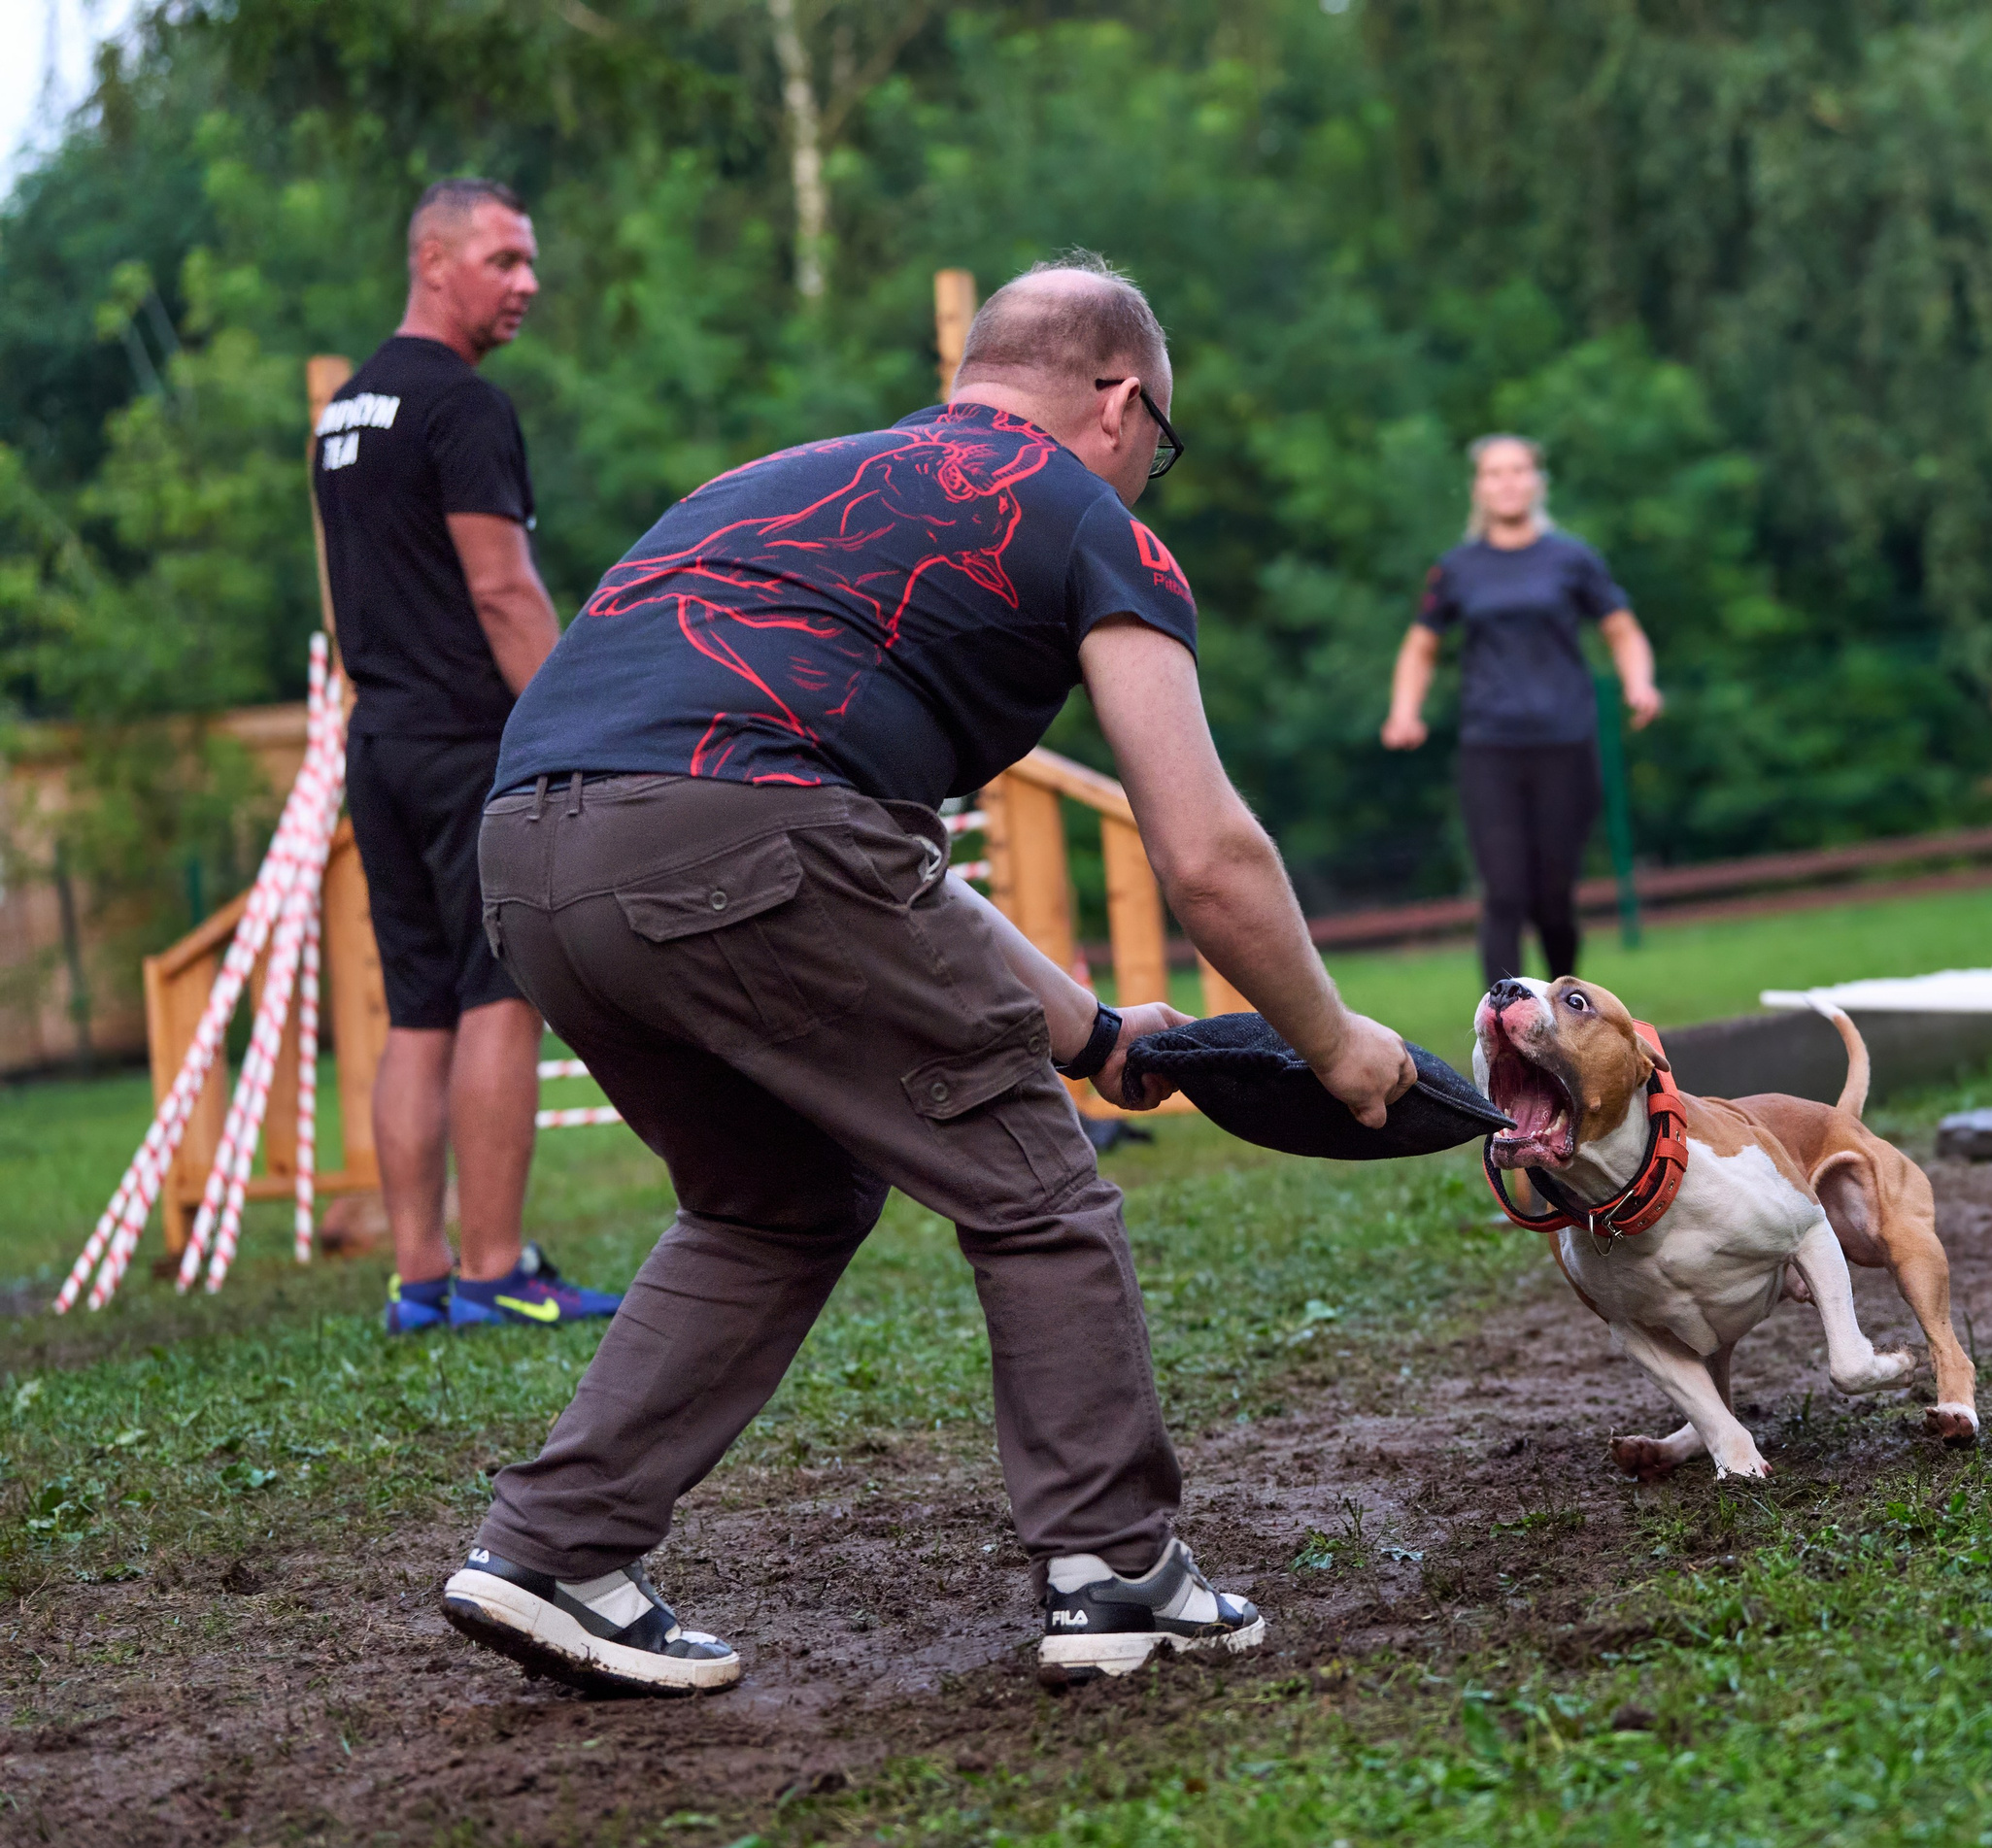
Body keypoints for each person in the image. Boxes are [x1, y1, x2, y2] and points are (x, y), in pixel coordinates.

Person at [436, 254, 1417, 1695]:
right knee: (1037, 1193)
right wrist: (1333, 1042)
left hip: (527, 860)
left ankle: (554, 1549)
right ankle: (1119, 1568)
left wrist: (1095, 1036)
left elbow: (884, 874)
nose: (1153, 472)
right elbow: (1207, 856)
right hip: (750, 832)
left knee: (778, 1197)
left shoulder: (773, 484)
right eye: (1166, 443)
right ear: (1122, 401)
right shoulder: (1087, 522)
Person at [314, 178, 621, 1333]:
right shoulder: (463, 408)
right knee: (502, 990)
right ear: (434, 260)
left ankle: (420, 1276)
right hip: (466, 745)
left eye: (530, 261)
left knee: (417, 1011)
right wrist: (572, 731)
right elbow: (501, 590)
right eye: (504, 260)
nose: (527, 283)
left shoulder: (345, 410)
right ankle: (496, 1272)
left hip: (379, 743)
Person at [1379, 435, 1661, 988]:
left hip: (1566, 743)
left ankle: (1569, 1016)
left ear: (1538, 481)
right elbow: (1421, 645)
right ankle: (1498, 1036)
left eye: (1518, 470)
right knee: (1504, 893)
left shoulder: (1572, 558)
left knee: (1553, 898)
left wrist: (1640, 682)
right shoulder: (1458, 568)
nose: (1507, 481)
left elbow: (1622, 631)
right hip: (1491, 747)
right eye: (1493, 473)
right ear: (1478, 487)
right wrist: (1404, 710)